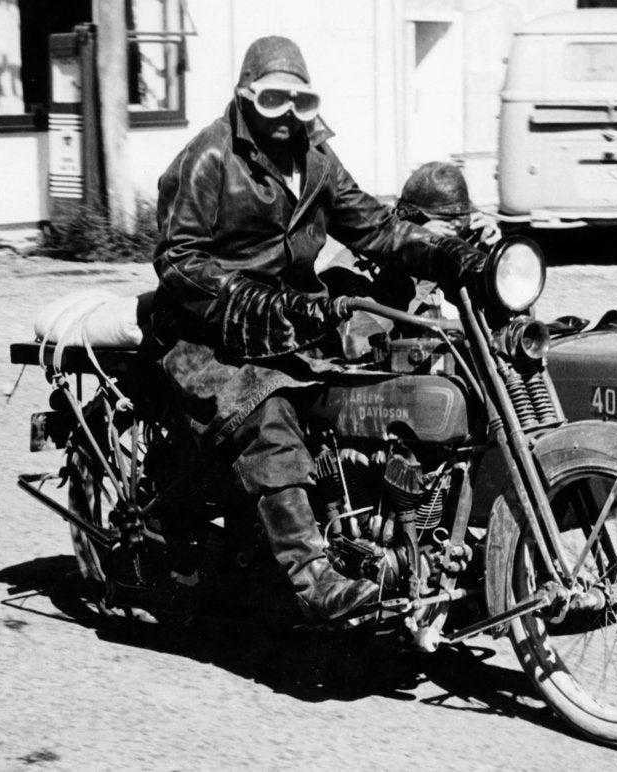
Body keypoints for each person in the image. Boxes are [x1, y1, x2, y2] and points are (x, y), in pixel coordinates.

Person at [150, 37, 486, 624]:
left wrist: (447, 255)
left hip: (290, 325)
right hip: (205, 335)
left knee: (374, 387)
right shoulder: (206, 159)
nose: (286, 115)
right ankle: (312, 577)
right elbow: (179, 261)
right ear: (245, 95)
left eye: (299, 101)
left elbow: (377, 228)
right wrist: (252, 300)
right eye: (273, 99)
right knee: (269, 407)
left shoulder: (317, 161)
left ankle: (386, 536)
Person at [320, 161, 500, 354]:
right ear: (408, 222)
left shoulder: (457, 254)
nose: (451, 248)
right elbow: (360, 344)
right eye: (446, 236)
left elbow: (510, 334)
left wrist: (491, 265)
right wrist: (417, 255)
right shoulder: (350, 268)